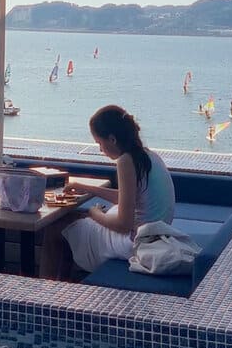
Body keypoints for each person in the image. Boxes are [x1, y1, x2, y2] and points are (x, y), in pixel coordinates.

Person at [40, 105, 175, 280]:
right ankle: (64, 287)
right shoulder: (149, 156)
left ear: (112, 139)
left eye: (99, 143)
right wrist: (88, 189)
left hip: (134, 243)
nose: (100, 149)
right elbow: (127, 198)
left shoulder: (125, 161)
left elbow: (123, 224)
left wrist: (94, 213)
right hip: (155, 236)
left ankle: (41, 294)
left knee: (54, 231)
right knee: (70, 222)